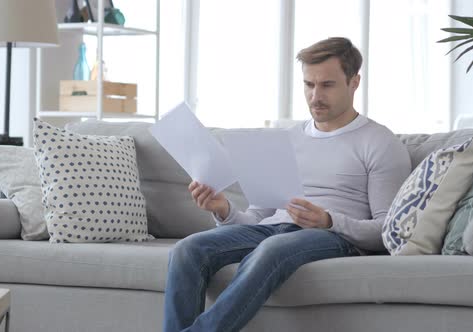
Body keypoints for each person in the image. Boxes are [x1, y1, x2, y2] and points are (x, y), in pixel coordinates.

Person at [163, 37, 412, 332]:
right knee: (188, 249)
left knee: (272, 248)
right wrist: (223, 209)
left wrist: (328, 220)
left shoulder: (380, 142)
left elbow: (387, 231)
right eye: (309, 84)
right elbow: (257, 217)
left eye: (327, 85)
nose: (315, 96)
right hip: (273, 230)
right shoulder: (287, 139)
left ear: (354, 82)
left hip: (333, 237)